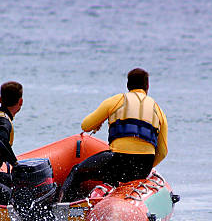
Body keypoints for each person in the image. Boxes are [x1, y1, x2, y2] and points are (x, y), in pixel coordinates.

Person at [58, 68, 168, 202]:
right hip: (143, 168)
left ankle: (65, 207)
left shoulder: (117, 100)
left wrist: (102, 120)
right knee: (113, 166)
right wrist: (145, 168)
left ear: (128, 85)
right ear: (147, 86)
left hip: (119, 164)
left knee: (77, 171)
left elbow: (85, 126)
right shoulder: (158, 110)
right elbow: (162, 152)